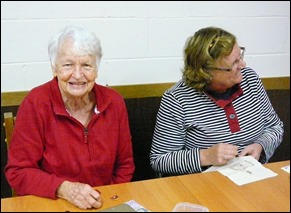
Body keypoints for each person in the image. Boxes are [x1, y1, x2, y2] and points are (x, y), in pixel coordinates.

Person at [5, 25, 135, 209]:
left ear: (96, 70)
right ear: (54, 68)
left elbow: (125, 166)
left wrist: (108, 199)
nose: (77, 74)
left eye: (86, 65)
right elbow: (18, 171)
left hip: (104, 203)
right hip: (54, 203)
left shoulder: (114, 103)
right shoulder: (35, 103)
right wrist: (64, 189)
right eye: (68, 65)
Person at [149, 26, 284, 177]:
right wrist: (205, 156)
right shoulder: (177, 99)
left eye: (240, 56)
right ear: (206, 72)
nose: (243, 65)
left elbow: (275, 127)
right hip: (205, 185)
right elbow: (160, 159)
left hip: (252, 178)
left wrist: (260, 146)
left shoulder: (250, 79)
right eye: (234, 63)